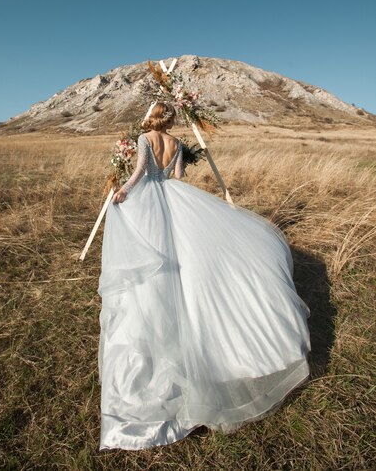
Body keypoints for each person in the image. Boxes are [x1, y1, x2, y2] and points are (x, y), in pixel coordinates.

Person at [97, 101, 311, 451]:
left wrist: (123, 190)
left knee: (154, 256)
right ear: (171, 119)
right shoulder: (178, 143)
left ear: (153, 118)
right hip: (175, 197)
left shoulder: (143, 138)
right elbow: (179, 178)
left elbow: (138, 173)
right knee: (186, 253)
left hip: (149, 199)